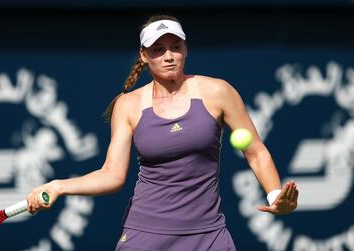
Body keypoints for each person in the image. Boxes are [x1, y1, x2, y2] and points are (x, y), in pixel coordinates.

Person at [27, 14, 298, 251]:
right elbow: (112, 175)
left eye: (175, 47)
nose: (168, 56)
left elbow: (256, 152)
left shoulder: (218, 92)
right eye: (158, 49)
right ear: (144, 56)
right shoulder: (129, 105)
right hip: (146, 236)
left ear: (185, 49)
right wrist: (58, 186)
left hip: (208, 236)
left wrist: (275, 196)